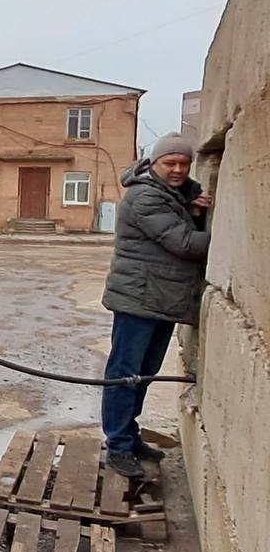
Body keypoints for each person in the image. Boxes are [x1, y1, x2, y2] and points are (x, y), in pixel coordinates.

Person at [101, 133, 212, 478]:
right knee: (124, 374)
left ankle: (129, 436)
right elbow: (182, 243)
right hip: (139, 298)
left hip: (160, 298)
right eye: (170, 163)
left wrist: (192, 207)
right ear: (154, 164)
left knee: (142, 375)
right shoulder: (145, 197)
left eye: (184, 163)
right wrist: (231, 232)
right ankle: (117, 446)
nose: (178, 169)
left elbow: (178, 227)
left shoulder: (169, 195)